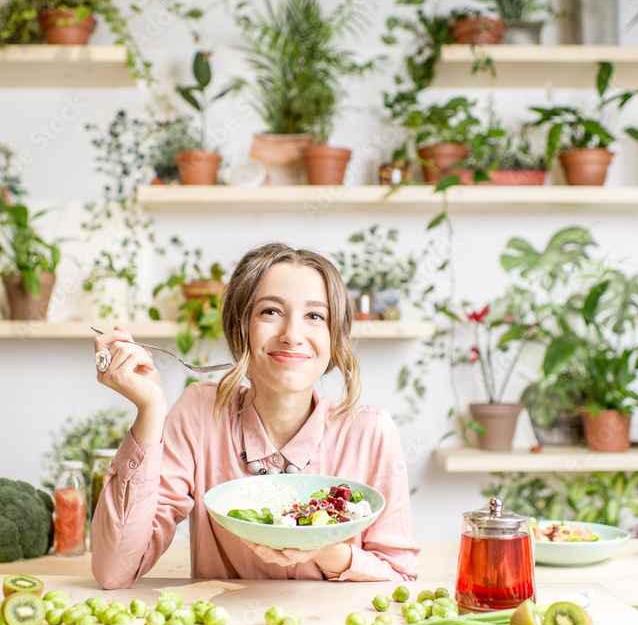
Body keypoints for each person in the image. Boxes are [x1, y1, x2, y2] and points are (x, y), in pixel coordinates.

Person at [91, 242, 419, 589]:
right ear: (241, 328)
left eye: (315, 316)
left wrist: (326, 552)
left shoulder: (370, 431)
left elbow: (400, 579)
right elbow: (114, 572)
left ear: (334, 337)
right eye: (270, 312)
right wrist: (150, 409)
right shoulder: (200, 414)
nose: (292, 335)